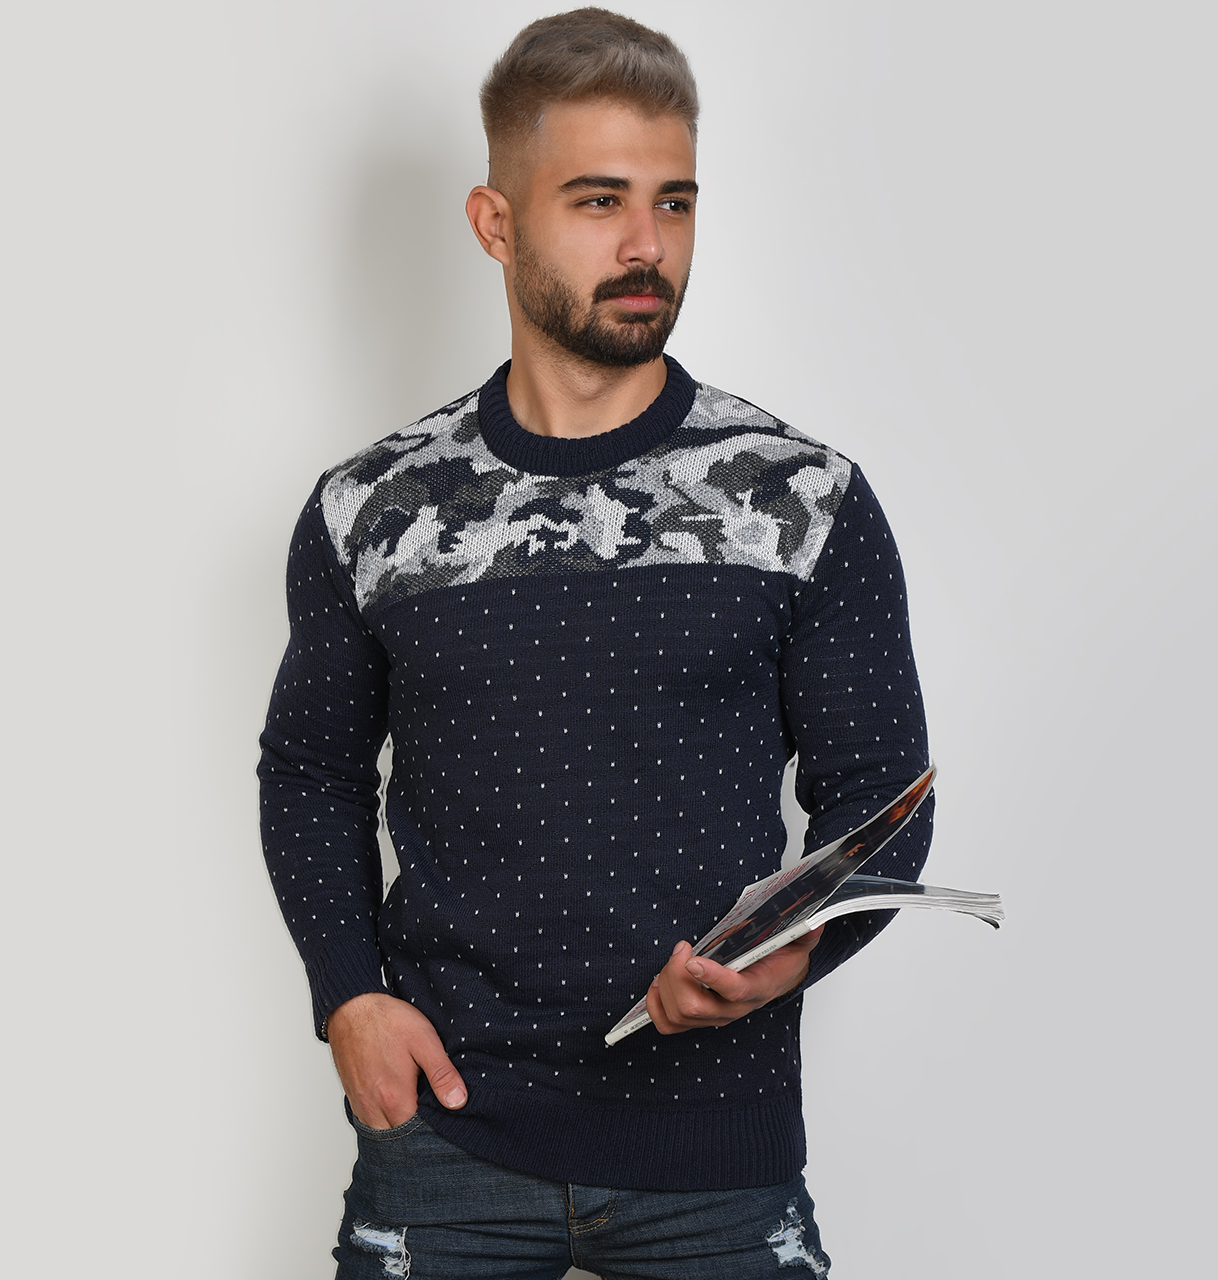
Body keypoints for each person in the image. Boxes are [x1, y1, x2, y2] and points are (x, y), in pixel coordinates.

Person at [259, 9, 932, 1277]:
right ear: (495, 223)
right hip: (444, 1137)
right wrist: (347, 994)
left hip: (715, 1148)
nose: (645, 245)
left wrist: (783, 957)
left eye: (673, 202)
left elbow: (884, 796)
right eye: (597, 200)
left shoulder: (801, 499)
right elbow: (310, 770)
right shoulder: (373, 508)